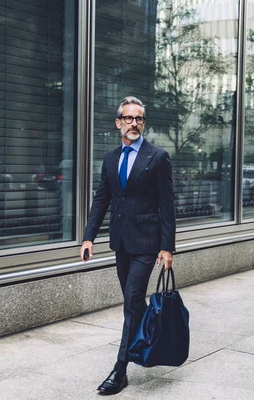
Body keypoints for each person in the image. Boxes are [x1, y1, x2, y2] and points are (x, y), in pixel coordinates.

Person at [80, 96, 176, 395]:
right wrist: (88, 236)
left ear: (142, 123)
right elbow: (102, 200)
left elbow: (167, 205)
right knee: (134, 303)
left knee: (132, 297)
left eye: (139, 119)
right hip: (121, 241)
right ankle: (151, 334)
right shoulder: (110, 158)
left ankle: (120, 370)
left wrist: (167, 246)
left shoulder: (157, 157)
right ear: (118, 123)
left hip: (148, 243)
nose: (134, 123)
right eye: (128, 118)